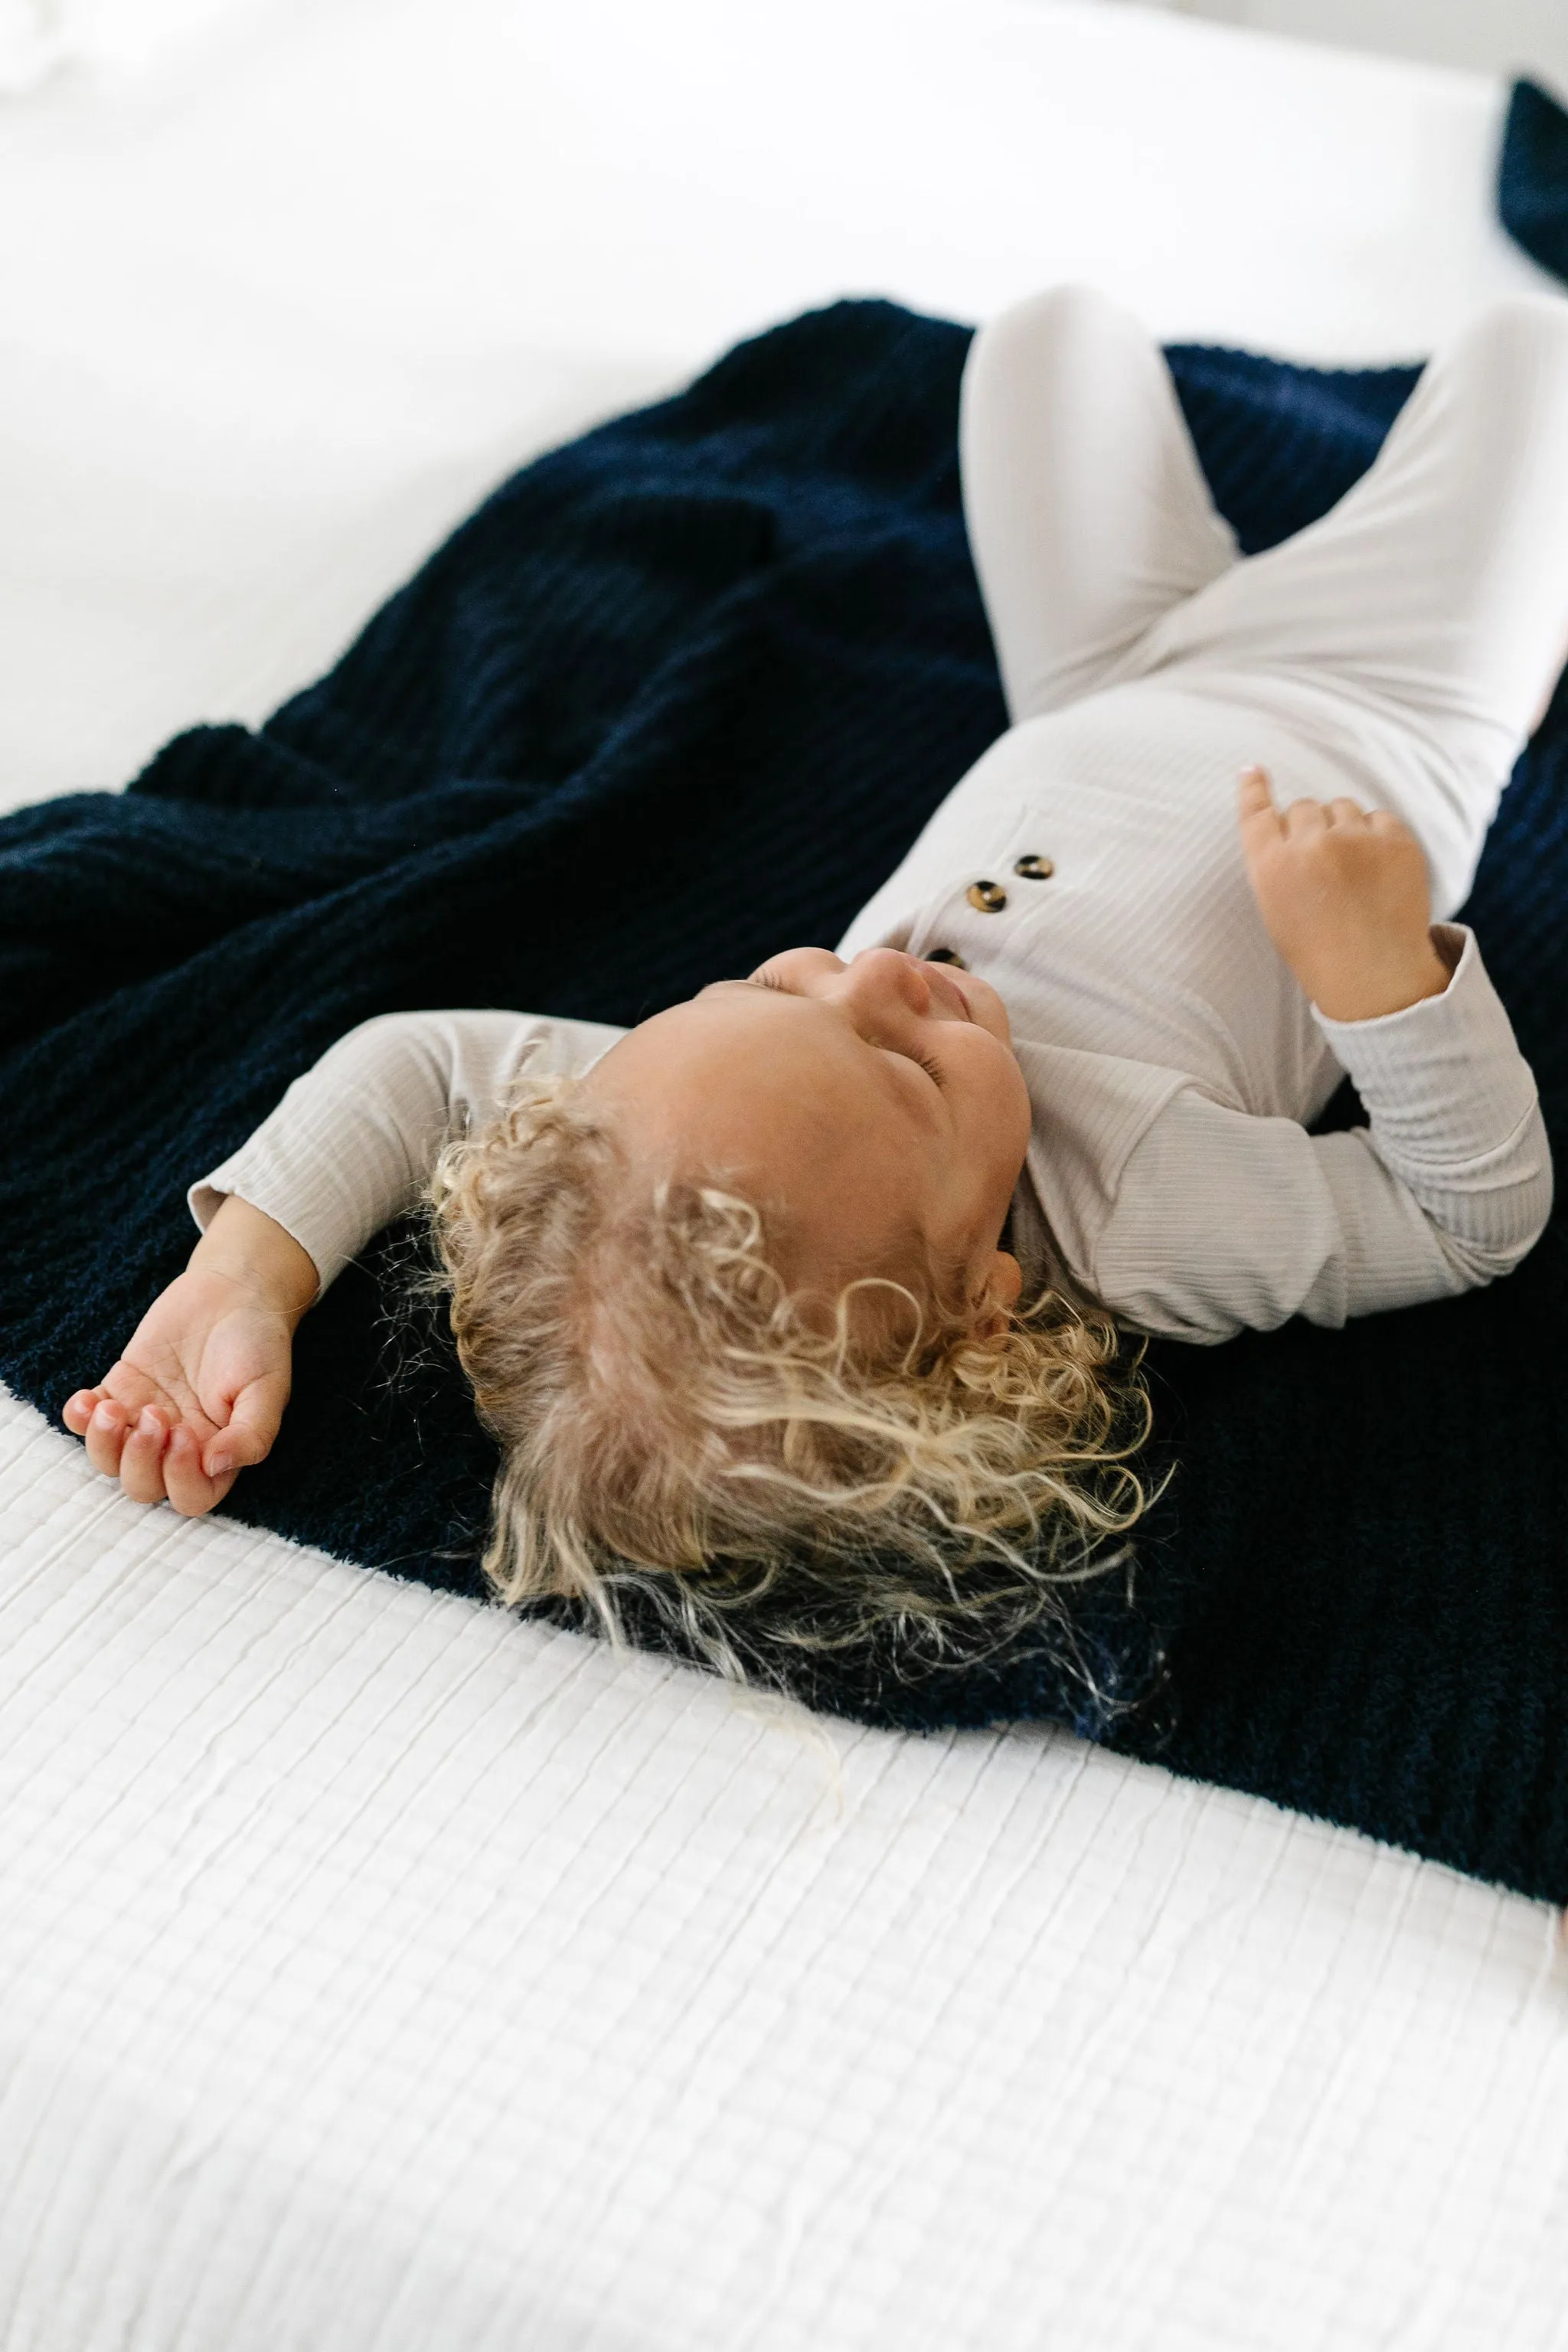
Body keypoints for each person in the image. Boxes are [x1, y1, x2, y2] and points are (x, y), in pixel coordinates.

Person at [63, 287, 1560, 1677]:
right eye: (910, 1072)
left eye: (767, 989)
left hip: (1106, 676)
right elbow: (1463, 1215)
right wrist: (1382, 980)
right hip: (1392, 704)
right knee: (1533, 356)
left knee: (1046, 337)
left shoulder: (687, 1128)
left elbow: (411, 1063)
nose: (871, 980)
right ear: (984, 1302)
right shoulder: (1148, 1211)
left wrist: (252, 1266)